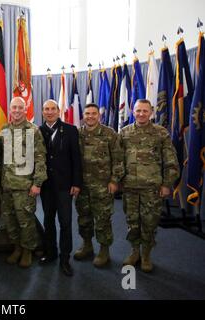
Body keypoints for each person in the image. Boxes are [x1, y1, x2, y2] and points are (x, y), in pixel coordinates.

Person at [119, 99, 179, 272]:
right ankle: (134, 251)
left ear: (151, 112)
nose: (141, 114)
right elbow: (118, 159)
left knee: (149, 222)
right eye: (138, 111)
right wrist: (118, 180)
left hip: (152, 188)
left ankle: (146, 254)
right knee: (132, 221)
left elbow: (171, 161)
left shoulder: (161, 133)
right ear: (133, 111)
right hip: (130, 187)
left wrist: (167, 184)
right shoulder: (124, 132)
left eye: (145, 111)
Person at [74, 103, 124, 267]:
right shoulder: (77, 134)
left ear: (99, 115)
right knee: (84, 218)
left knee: (102, 219)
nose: (90, 116)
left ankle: (104, 250)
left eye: (93, 113)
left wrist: (114, 180)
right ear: (83, 115)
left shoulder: (109, 134)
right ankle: (87, 245)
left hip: (103, 186)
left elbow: (118, 159)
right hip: (82, 187)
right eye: (87, 113)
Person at [1, 97, 47, 268]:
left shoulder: (33, 130)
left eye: (20, 107)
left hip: (25, 186)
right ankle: (17, 248)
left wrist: (37, 183)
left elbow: (40, 159)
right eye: (14, 107)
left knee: (25, 221)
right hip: (6, 185)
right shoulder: (5, 129)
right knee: (10, 220)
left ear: (25, 109)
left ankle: (28, 251)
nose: (17, 110)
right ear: (10, 109)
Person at [39, 99, 82, 277]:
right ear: (42, 112)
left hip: (65, 185)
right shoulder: (38, 131)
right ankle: (51, 252)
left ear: (58, 111)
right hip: (46, 186)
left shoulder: (71, 130)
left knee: (65, 222)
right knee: (48, 220)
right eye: (46, 109)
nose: (49, 112)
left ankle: (65, 258)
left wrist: (76, 183)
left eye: (52, 109)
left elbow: (76, 159)